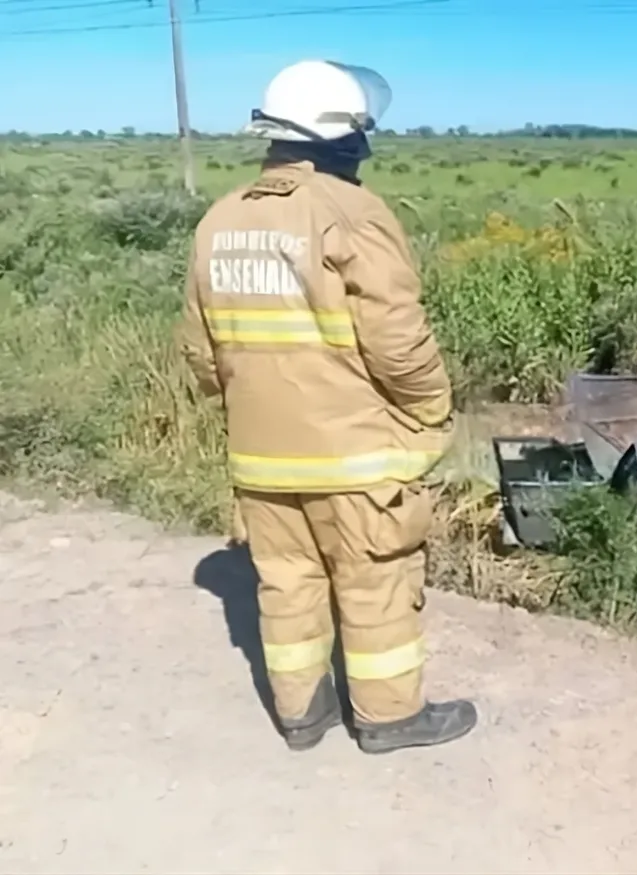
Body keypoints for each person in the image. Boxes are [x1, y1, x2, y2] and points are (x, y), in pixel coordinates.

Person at [177, 60, 476, 755]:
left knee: (286, 586)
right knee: (376, 584)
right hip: (354, 457)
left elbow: (200, 350)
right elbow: (397, 341)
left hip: (260, 457)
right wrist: (431, 411)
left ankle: (302, 715)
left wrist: (248, 404)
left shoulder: (219, 219)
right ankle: (388, 716)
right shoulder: (353, 213)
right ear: (337, 137)